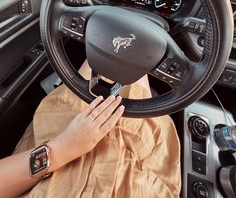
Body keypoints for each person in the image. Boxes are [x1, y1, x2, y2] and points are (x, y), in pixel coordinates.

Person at [0, 61, 181, 198]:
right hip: (135, 161)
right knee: (133, 60)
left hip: (56, 143)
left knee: (104, 61)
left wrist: (61, 149)